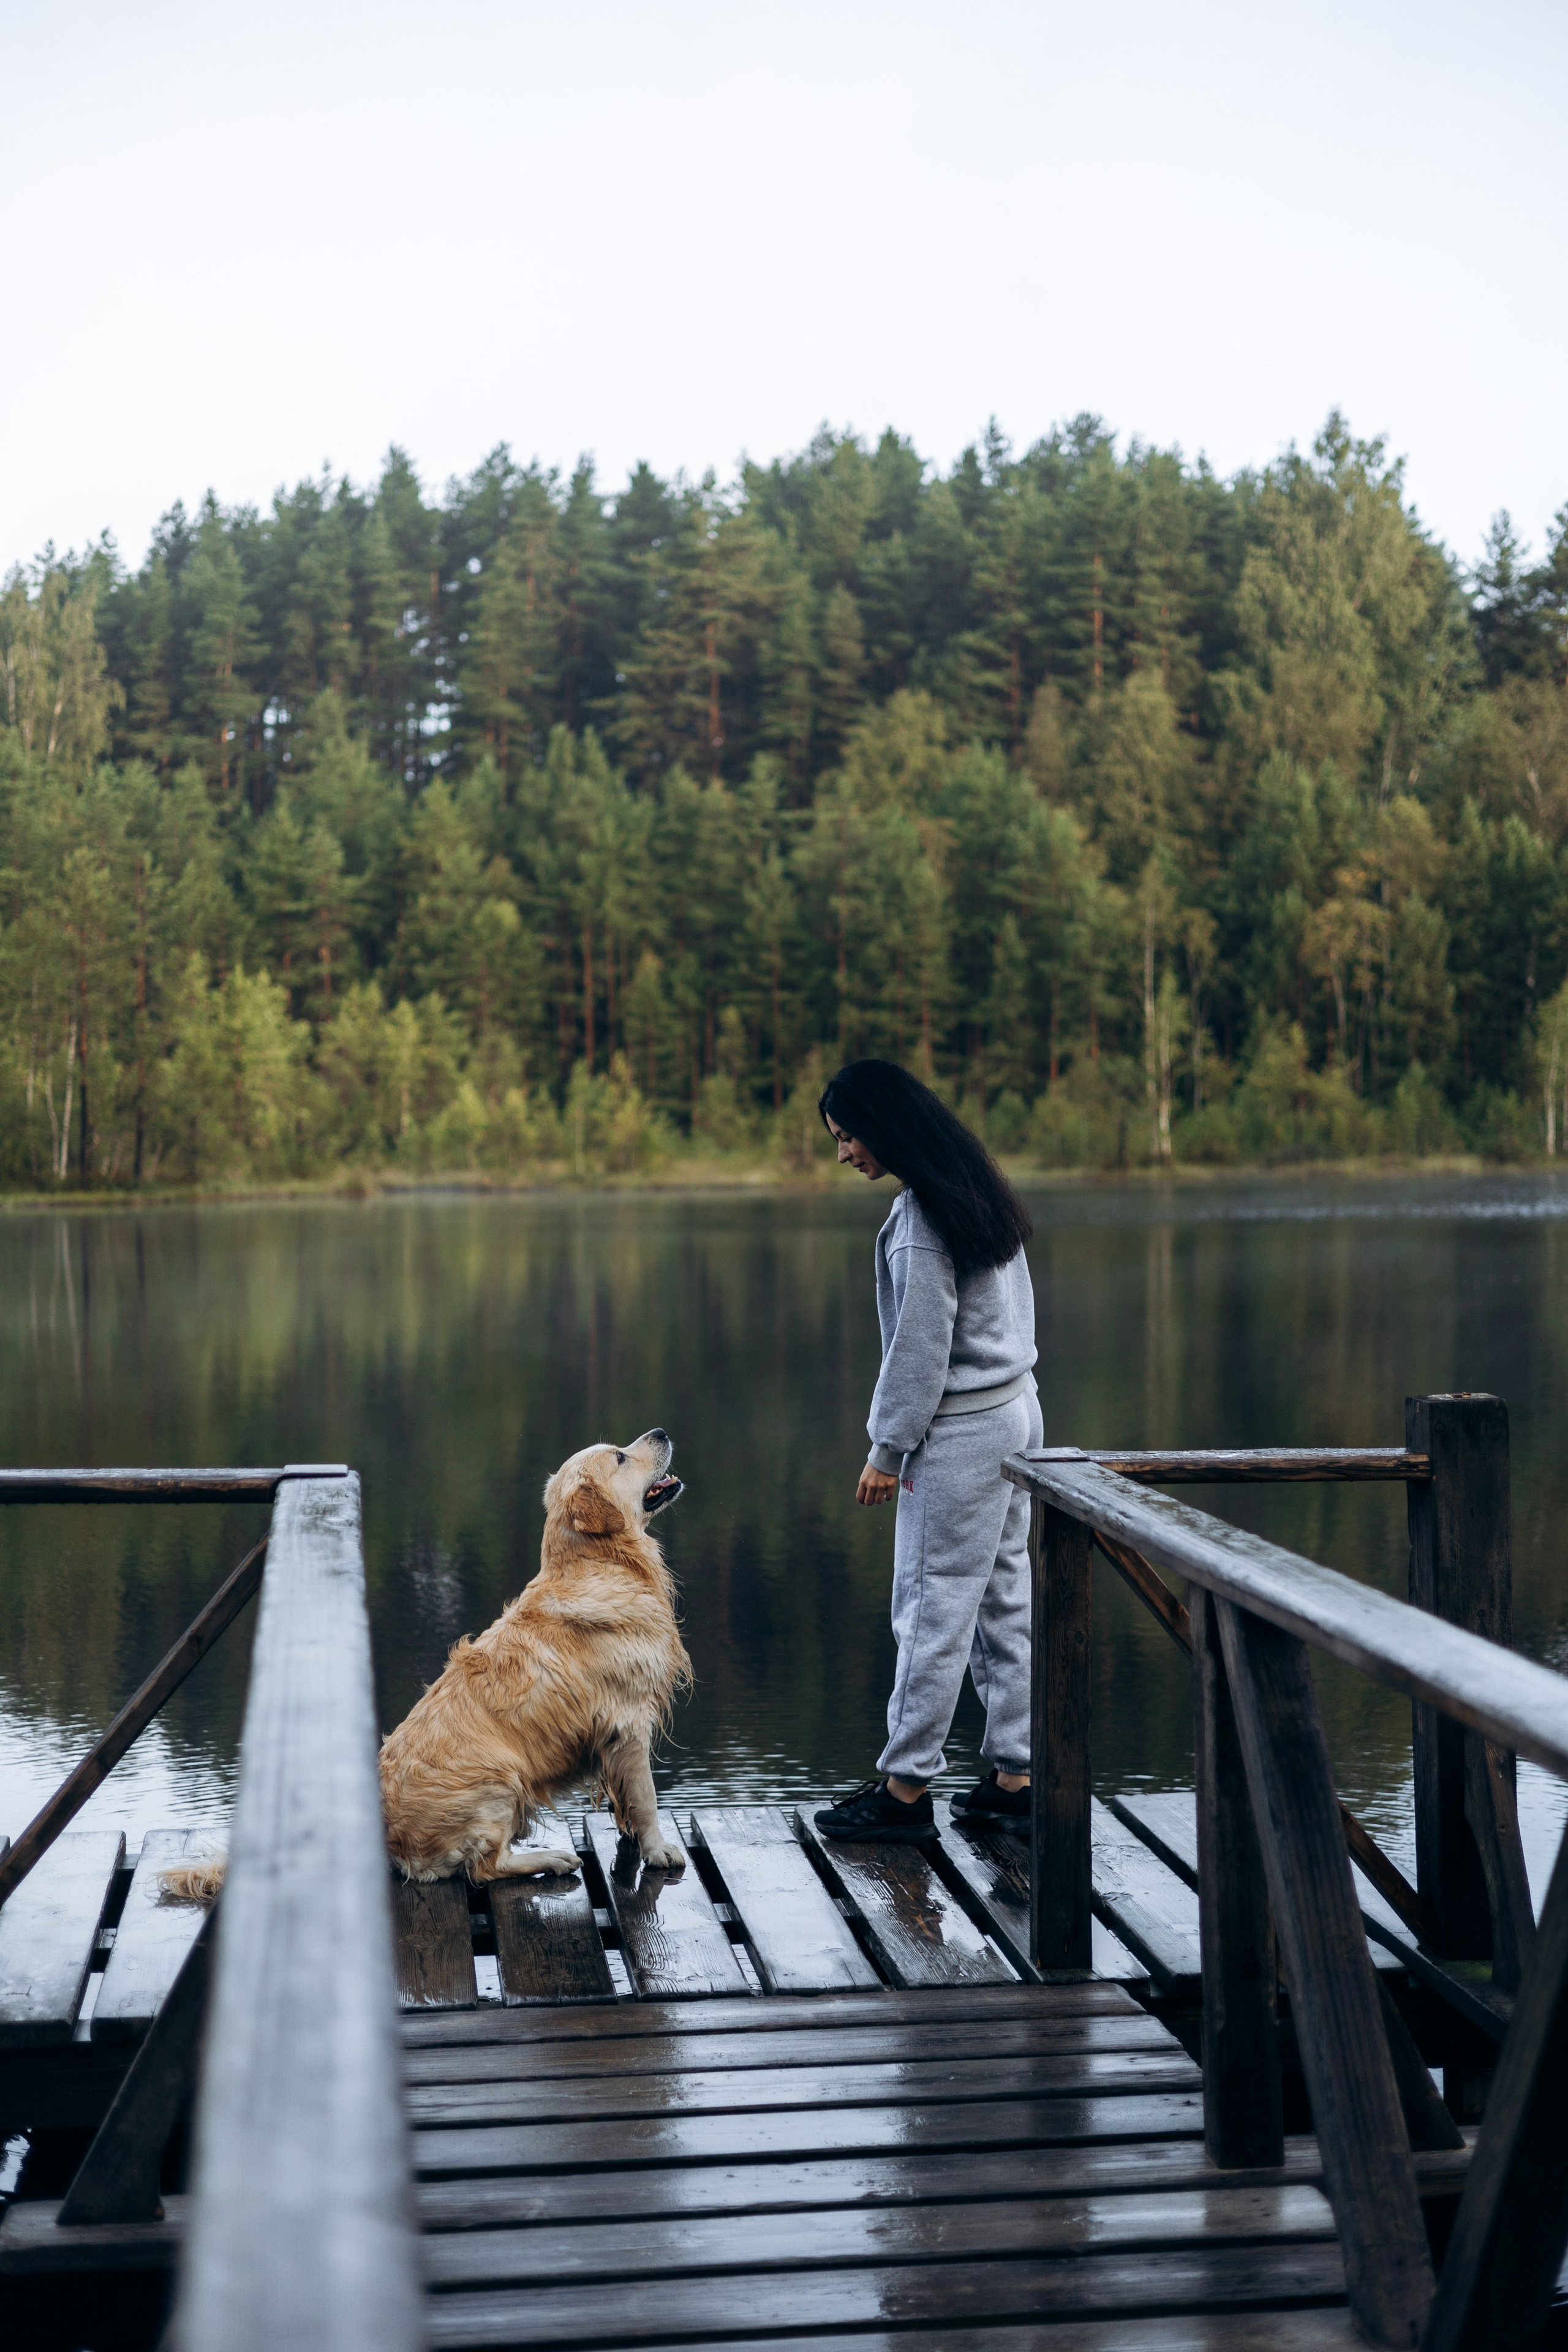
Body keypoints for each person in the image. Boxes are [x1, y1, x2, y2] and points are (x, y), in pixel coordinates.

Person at [813, 1059, 1042, 1845]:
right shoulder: (974, 1187)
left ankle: (905, 1790)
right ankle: (1016, 1777)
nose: (844, 1153)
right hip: (1015, 1411)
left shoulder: (920, 1217)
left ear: (886, 1126)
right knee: (1004, 1599)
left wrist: (887, 1449)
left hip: (962, 1432)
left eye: (848, 1136)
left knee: (930, 1605)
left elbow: (919, 1348)